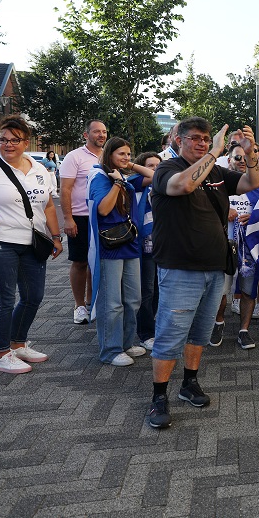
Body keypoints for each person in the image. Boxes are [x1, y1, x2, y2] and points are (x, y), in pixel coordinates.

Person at [146, 118, 259, 430]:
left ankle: (189, 384)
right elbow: (184, 185)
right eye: (195, 138)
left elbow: (252, 183)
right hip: (180, 269)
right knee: (171, 334)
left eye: (206, 138)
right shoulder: (166, 170)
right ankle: (159, 397)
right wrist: (215, 151)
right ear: (179, 139)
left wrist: (251, 154)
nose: (201, 143)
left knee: (199, 332)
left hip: (214, 266)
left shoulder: (217, 173)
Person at [0, 116, 63, 373]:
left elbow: (46, 206)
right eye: (2, 139)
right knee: (5, 298)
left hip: (31, 241)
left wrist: (55, 237)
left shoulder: (39, 169)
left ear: (26, 142)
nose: (8, 145)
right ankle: (1, 354)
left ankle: (18, 343)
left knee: (34, 295)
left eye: (14, 140)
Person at [87, 137, 154, 366]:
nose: (126, 158)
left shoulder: (126, 177)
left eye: (128, 153)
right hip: (110, 247)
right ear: (109, 155)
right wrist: (116, 183)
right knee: (112, 301)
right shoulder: (100, 177)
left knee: (133, 298)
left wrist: (130, 166)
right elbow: (103, 210)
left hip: (130, 244)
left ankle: (125, 343)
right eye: (121, 154)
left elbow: (154, 176)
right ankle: (110, 350)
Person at [210, 143, 259, 350]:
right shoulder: (219, 185)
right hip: (223, 247)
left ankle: (244, 330)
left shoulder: (257, 187)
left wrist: (255, 216)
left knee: (249, 290)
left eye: (244, 158)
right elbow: (204, 210)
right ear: (229, 160)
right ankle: (219, 323)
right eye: (237, 158)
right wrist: (226, 210)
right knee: (220, 291)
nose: (241, 162)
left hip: (249, 249)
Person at [60, 120, 108, 324]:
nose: (101, 135)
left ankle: (92, 301)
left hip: (104, 217)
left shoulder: (108, 155)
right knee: (80, 262)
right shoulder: (74, 157)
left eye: (104, 131)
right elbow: (66, 190)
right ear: (85, 135)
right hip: (80, 217)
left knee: (96, 261)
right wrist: (68, 219)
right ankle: (79, 306)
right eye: (96, 131)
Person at [133, 151, 161, 350]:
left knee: (158, 289)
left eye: (158, 165)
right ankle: (145, 333)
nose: (155, 169)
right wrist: (133, 165)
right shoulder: (136, 183)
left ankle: (152, 326)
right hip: (145, 245)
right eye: (150, 165)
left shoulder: (162, 186)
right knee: (147, 291)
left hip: (164, 245)